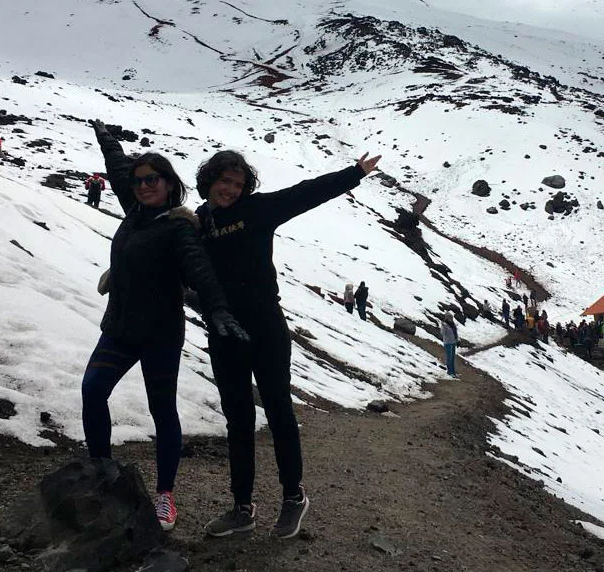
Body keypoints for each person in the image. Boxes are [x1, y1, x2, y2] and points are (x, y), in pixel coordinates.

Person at [193, 148, 381, 540]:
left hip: (265, 327)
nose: (230, 189)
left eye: (237, 183)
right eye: (224, 181)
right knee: (238, 419)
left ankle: (293, 497)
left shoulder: (257, 210)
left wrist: (353, 173)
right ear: (209, 180)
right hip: (224, 331)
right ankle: (242, 508)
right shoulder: (197, 223)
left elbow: (304, 194)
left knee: (278, 411)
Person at [81, 120, 244, 534]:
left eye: (152, 179)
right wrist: (107, 139)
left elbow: (200, 272)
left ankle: (165, 496)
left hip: (160, 334)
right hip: (119, 326)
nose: (143, 185)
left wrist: (218, 310)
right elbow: (118, 168)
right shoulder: (134, 208)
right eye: (139, 181)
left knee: (162, 410)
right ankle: (100, 472)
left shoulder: (177, 227)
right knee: (93, 390)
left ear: (170, 184)